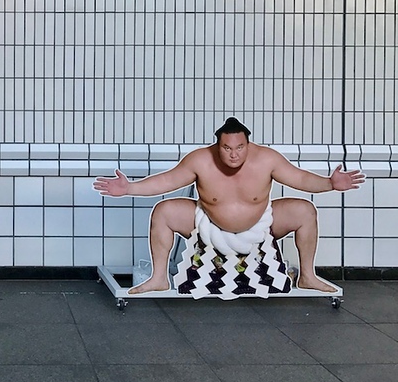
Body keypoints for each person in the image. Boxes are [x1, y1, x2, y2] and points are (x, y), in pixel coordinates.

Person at [93, 117, 365, 294]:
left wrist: (330, 183)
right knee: (163, 211)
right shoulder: (200, 160)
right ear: (218, 145)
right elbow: (167, 181)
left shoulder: (267, 158)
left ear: (248, 144)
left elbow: (300, 178)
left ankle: (307, 276)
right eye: (227, 148)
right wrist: (130, 188)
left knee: (305, 210)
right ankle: (159, 278)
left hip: (262, 227)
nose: (233, 154)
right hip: (207, 226)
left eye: (240, 148)